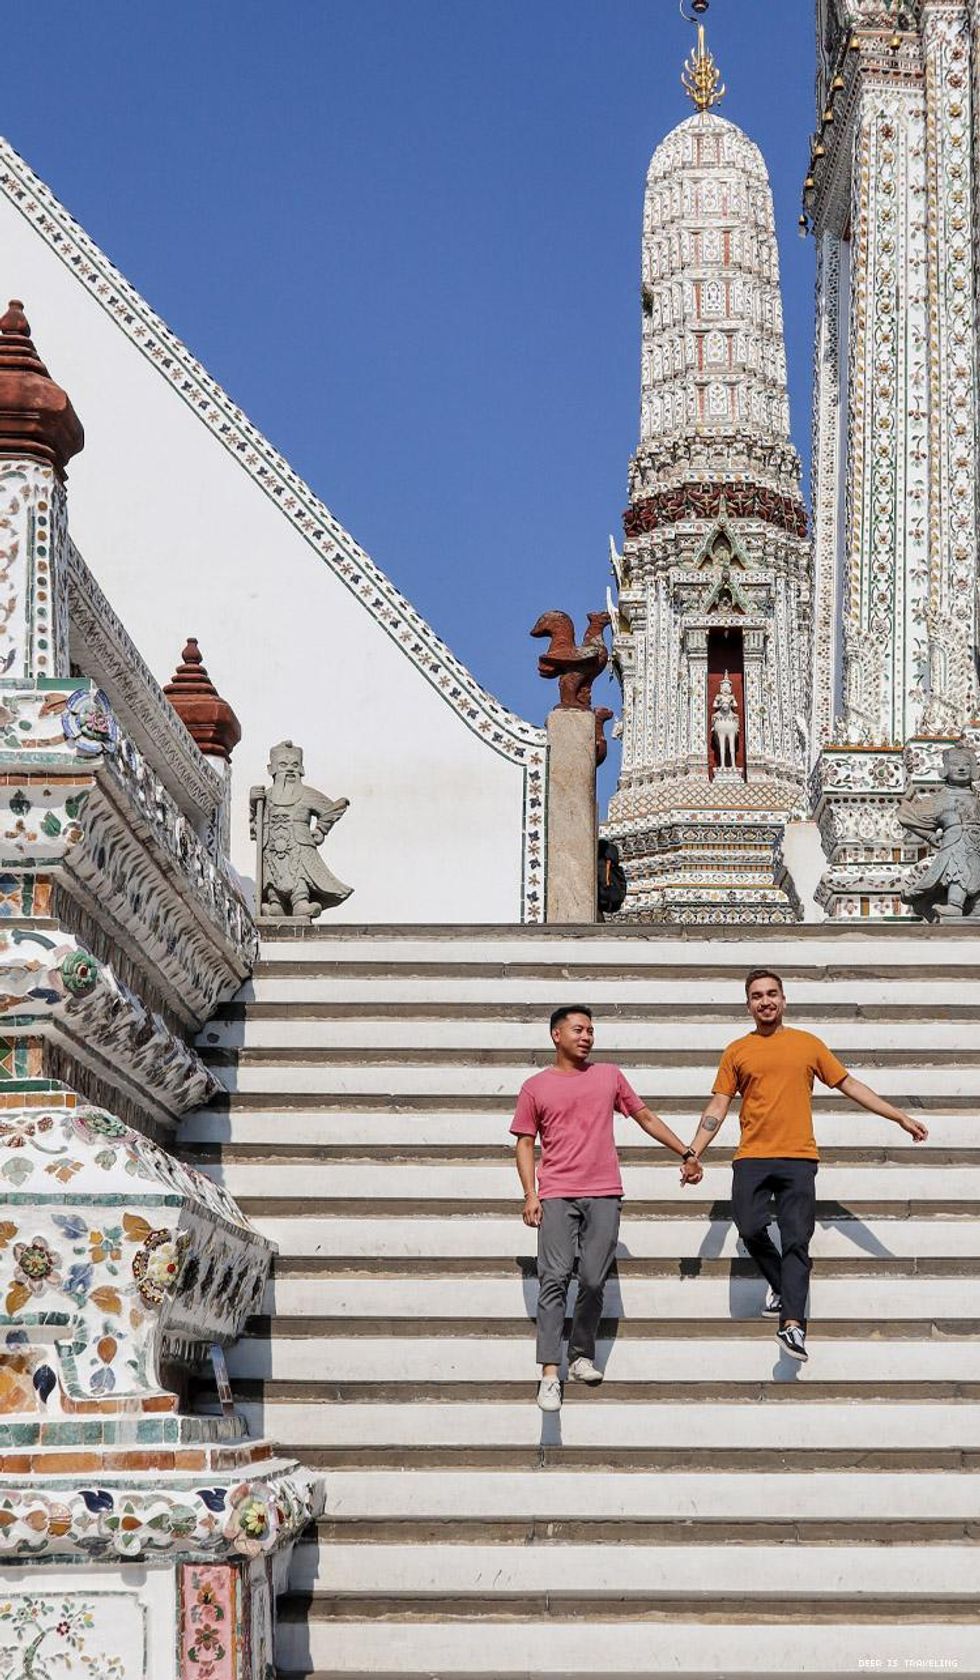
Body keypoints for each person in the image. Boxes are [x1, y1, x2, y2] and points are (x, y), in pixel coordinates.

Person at [685, 968, 929, 1362]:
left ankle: (792, 1325)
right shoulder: (737, 1051)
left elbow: (849, 1084)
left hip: (799, 1158)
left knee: (797, 1240)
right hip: (752, 1157)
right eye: (756, 996)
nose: (765, 1001)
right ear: (748, 1004)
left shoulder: (807, 1044)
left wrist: (897, 1116)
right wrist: (694, 1150)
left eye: (771, 994)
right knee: (749, 1227)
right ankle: (783, 1285)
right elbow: (718, 1105)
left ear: (784, 999)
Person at [512, 1004, 703, 1412]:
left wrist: (685, 1151)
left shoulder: (609, 1076)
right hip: (557, 1192)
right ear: (556, 1035)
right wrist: (530, 1193)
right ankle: (549, 1371)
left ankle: (581, 1355)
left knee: (594, 1280)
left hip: (604, 1191)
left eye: (591, 1031)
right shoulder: (535, 1086)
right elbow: (525, 1142)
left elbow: (644, 1117)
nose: (586, 1037)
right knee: (554, 1279)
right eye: (578, 1030)